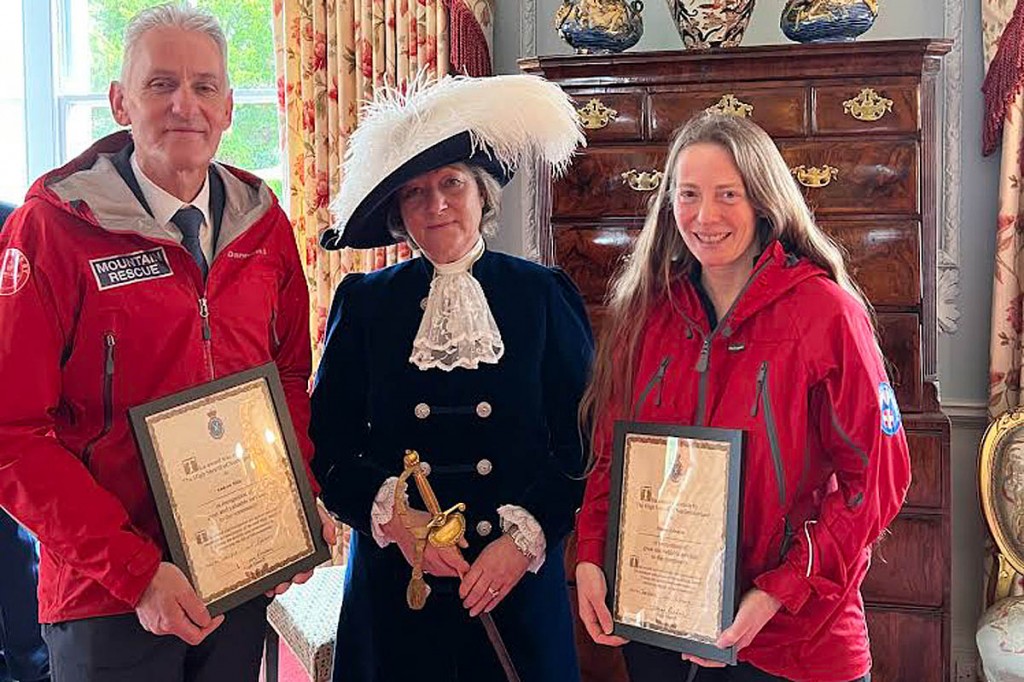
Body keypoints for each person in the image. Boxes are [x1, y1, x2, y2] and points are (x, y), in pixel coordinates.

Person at [0, 5, 331, 681]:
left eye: (205, 86)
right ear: (121, 101)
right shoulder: (52, 231)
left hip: (236, 576)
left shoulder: (264, 226)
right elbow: (12, 433)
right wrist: (137, 572)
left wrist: (293, 502)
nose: (186, 104)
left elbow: (290, 379)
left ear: (230, 107)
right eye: (161, 85)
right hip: (106, 595)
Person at [574, 112, 910, 682]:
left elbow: (877, 482)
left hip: (796, 641)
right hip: (662, 627)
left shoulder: (827, 313)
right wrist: (589, 555)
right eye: (689, 195)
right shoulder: (646, 316)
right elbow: (613, 458)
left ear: (762, 202)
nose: (705, 217)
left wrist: (777, 593)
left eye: (727, 194)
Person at [311, 74, 593, 682]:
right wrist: (397, 522)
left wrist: (523, 542)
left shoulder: (542, 296)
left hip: (511, 586)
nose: (436, 205)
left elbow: (580, 443)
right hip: (398, 591)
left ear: (482, 194)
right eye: (414, 193)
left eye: (451, 184)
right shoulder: (363, 303)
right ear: (397, 215)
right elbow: (328, 448)